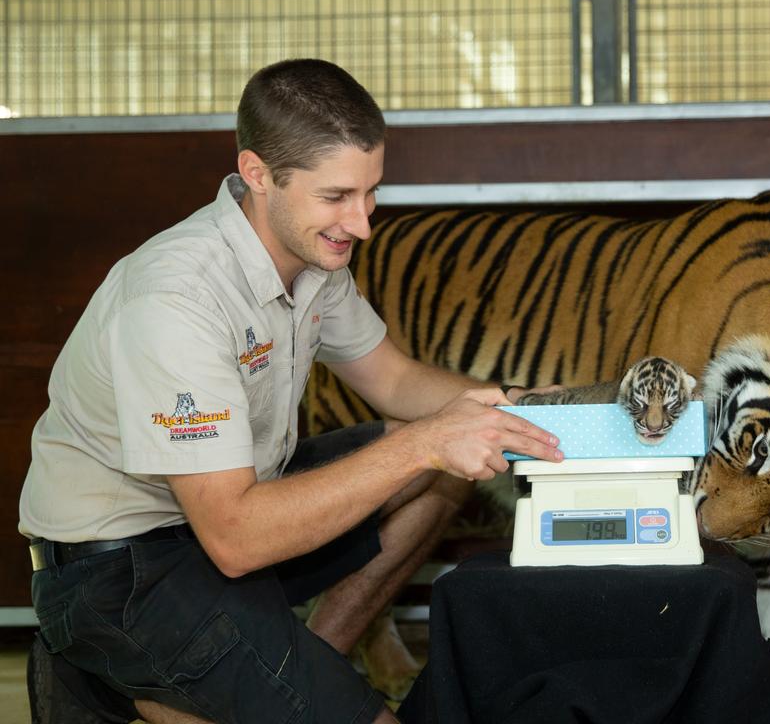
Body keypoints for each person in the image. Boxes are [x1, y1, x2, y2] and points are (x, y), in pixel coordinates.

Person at [20, 58, 563, 724]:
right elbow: (236, 538)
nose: (361, 223)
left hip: (227, 517)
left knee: (445, 463)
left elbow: (393, 379)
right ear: (257, 175)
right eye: (337, 196)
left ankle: (280, 669)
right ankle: (162, 672)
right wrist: (427, 442)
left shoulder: (312, 255)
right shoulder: (175, 298)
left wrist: (522, 412)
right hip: (125, 573)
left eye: (370, 193)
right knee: (422, 451)